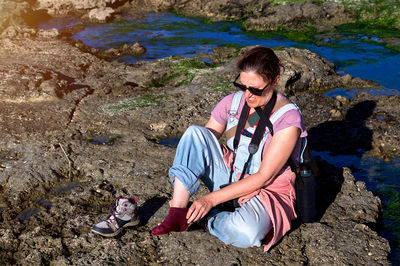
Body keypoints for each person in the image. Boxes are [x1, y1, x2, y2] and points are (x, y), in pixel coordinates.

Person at [151, 46, 307, 252]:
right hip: (231, 174)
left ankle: (207, 219)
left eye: (256, 89)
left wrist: (209, 200)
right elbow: (202, 143)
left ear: (275, 80)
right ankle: (179, 210)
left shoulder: (288, 118)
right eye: (243, 86)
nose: (248, 95)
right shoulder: (232, 102)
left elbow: (264, 178)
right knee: (194, 133)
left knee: (249, 233)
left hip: (266, 191)